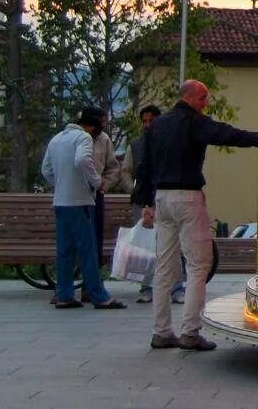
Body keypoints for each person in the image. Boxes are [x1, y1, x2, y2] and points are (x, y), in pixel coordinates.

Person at [132, 79, 258, 351]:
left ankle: (161, 331)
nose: (206, 103)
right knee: (198, 265)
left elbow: (144, 164)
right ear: (190, 97)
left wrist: (145, 201)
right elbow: (225, 133)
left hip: (161, 198)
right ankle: (190, 331)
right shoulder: (193, 122)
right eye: (203, 98)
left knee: (165, 266)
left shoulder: (156, 125)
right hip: (187, 196)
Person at [40, 107, 125, 310]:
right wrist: (95, 182)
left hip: (60, 201)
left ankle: (64, 294)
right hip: (81, 202)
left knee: (65, 251)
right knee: (88, 251)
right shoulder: (83, 138)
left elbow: (46, 170)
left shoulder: (57, 138)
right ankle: (99, 295)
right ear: (91, 127)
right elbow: (82, 160)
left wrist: (62, 184)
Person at [132, 105, 171, 305]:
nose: (147, 125)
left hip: (164, 196)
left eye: (151, 120)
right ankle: (146, 286)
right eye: (145, 121)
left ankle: (176, 286)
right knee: (146, 246)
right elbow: (134, 170)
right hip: (144, 198)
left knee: (171, 244)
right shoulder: (137, 144)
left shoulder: (169, 142)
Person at [91, 113, 125, 276]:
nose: (103, 126)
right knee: (71, 242)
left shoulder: (103, 139)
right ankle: (65, 288)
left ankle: (91, 286)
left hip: (95, 196)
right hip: (73, 197)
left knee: (95, 240)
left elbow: (113, 167)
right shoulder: (71, 138)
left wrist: (105, 183)